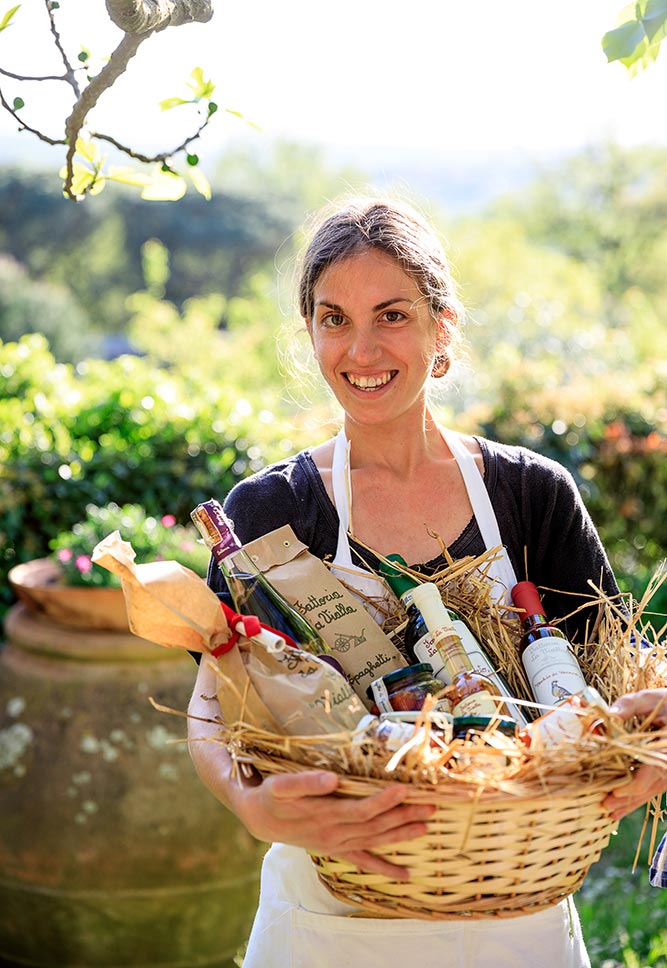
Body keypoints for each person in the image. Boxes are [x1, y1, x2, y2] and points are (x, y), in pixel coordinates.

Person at [187, 196, 667, 968]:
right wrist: (252, 808)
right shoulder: (267, 512)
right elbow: (214, 706)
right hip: (330, 910)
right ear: (307, 330)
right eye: (333, 317)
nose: (360, 348)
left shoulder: (529, 493)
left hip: (517, 905)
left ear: (442, 326)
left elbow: (619, 677)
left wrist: (646, 742)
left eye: (392, 315)